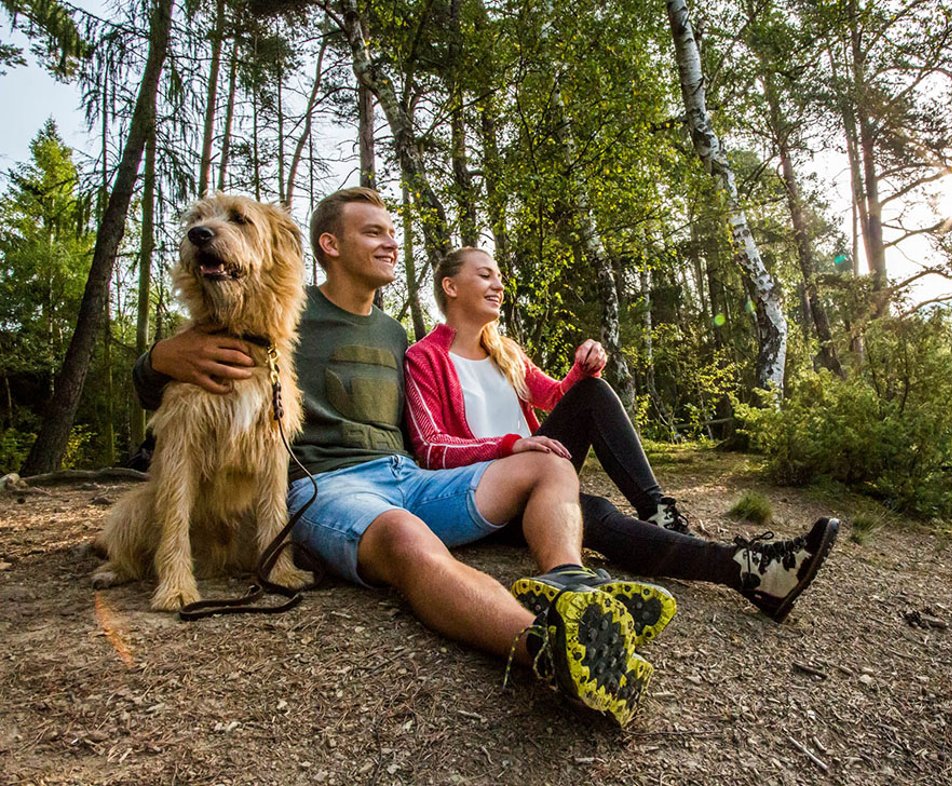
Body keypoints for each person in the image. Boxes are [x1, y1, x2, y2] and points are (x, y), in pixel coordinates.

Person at [130, 189, 667, 726]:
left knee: (550, 461)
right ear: (329, 245)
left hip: (406, 475)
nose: (391, 242)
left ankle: (570, 587)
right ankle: (548, 649)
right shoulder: (287, 310)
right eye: (374, 232)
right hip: (332, 487)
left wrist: (509, 439)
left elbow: (429, 430)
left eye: (391, 232)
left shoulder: (394, 334)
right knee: (407, 538)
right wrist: (158, 359)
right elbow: (196, 365)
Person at [403, 246, 841, 625]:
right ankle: (748, 569)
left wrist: (583, 367)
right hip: (488, 494)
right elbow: (431, 448)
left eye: (499, 276)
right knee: (595, 513)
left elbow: (557, 398)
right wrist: (511, 445)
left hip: (542, 476)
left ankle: (675, 522)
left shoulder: (506, 351)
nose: (498, 284)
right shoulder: (424, 357)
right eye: (485, 275)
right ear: (450, 286)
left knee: (591, 394)